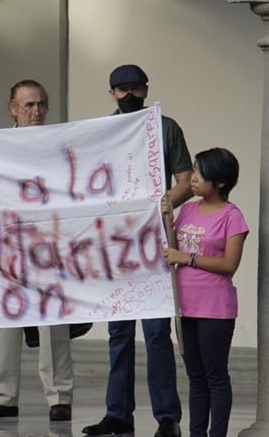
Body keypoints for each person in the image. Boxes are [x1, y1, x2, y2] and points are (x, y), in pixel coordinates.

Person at [82, 65, 193, 437]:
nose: (128, 94)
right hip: (116, 243)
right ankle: (118, 414)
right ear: (111, 94)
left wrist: (161, 204)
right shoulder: (102, 131)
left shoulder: (166, 127)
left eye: (134, 88)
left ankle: (167, 417)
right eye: (121, 89)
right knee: (119, 332)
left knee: (157, 331)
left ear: (146, 89)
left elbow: (186, 182)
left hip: (155, 241)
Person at [0, 80, 74, 422]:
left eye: (41, 104)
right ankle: (4, 396)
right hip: (8, 245)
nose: (37, 111)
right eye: (29, 105)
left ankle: (60, 396)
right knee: (6, 320)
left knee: (54, 324)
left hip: (49, 244)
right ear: (13, 108)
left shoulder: (58, 143)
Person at [164, 148, 249, 437]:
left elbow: (228, 264)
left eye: (200, 173)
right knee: (195, 378)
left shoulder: (232, 216)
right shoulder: (187, 209)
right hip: (185, 305)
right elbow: (171, 247)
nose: (193, 179)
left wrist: (186, 258)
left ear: (220, 182)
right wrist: (166, 219)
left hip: (215, 308)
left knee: (215, 377)